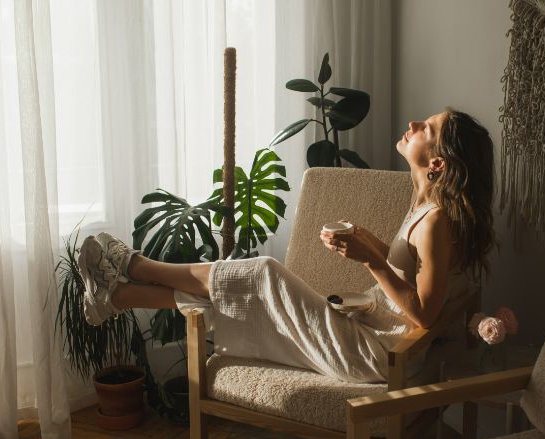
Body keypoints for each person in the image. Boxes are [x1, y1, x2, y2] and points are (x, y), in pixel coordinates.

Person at [77, 108, 495, 383]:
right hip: (368, 330)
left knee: (262, 273)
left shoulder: (437, 220)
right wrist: (373, 245)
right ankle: (119, 296)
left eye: (429, 128)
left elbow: (424, 312)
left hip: (377, 355)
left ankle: (136, 267)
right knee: (248, 292)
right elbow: (415, 275)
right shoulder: (426, 207)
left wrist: (372, 261)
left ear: (437, 163)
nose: (415, 125)